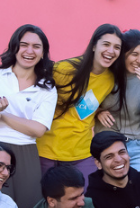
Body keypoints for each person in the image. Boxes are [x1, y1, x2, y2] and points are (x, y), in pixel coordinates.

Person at [0, 24, 58, 208]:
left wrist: (2, 115)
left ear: (43, 52)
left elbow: (38, 130)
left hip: (26, 153)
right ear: (14, 47)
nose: (29, 51)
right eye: (24, 45)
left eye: (36, 46)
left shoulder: (46, 88)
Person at [37, 24, 124, 177]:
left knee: (85, 200)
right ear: (94, 46)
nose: (111, 51)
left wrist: (99, 111)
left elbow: (83, 105)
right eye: (106, 44)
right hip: (47, 151)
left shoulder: (110, 80)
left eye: (117, 47)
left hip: (81, 154)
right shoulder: (63, 70)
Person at [98, 29, 140, 175]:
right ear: (122, 53)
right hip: (107, 146)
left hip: (138, 146)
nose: (139, 60)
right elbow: (81, 107)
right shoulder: (103, 76)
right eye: (134, 54)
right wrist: (97, 112)